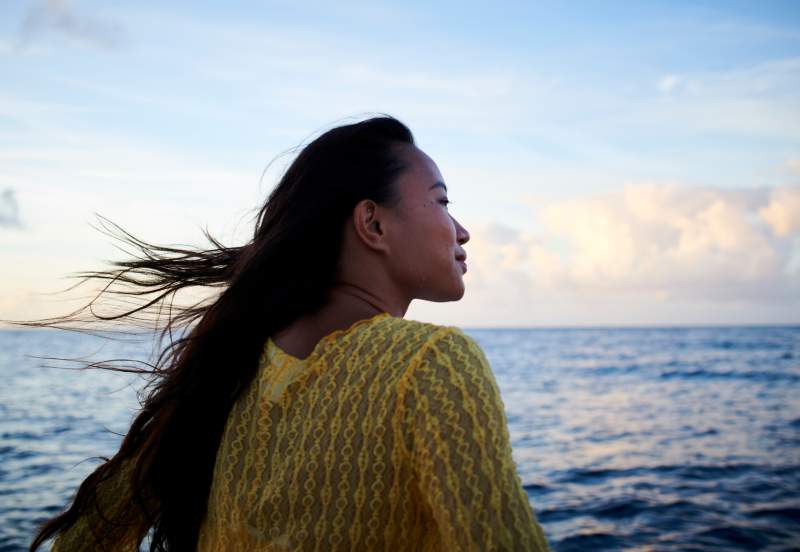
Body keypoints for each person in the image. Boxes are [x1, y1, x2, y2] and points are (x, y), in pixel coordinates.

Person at [28, 116, 551, 551]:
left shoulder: (225, 373)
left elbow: (84, 541)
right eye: (441, 202)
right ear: (372, 224)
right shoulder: (432, 363)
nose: (461, 230)